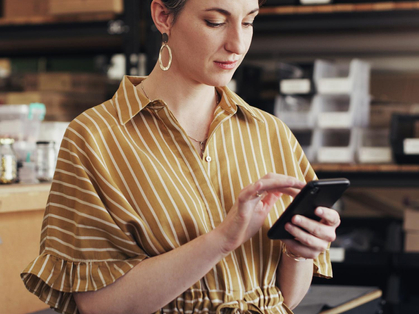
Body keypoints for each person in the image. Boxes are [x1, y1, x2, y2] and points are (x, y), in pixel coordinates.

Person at [21, 0, 341, 313]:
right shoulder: (94, 137)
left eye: (248, 21)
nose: (238, 44)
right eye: (215, 22)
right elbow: (97, 305)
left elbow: (286, 299)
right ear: (163, 16)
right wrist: (221, 240)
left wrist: (299, 253)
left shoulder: (271, 133)